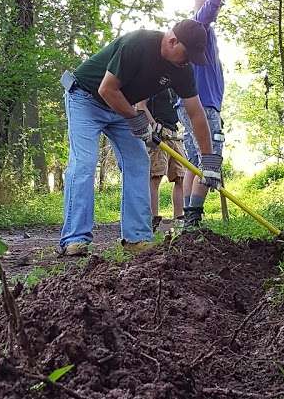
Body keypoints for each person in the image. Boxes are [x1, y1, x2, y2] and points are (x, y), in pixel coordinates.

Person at [59, 21, 221, 255]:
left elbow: (196, 113)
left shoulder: (182, 69)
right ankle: (75, 240)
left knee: (139, 163)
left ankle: (136, 238)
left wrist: (208, 160)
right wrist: (138, 121)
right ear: (172, 41)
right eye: (187, 54)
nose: (188, 62)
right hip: (86, 98)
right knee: (84, 163)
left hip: (121, 106)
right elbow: (107, 90)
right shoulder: (138, 44)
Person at [179, 0, 229, 230]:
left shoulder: (201, 37)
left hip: (196, 106)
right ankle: (193, 220)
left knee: (194, 162)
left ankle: (189, 218)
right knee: (209, 159)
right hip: (201, 106)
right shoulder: (198, 30)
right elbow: (204, 17)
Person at [143, 86, 184, 232]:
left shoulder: (176, 85)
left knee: (180, 176)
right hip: (158, 133)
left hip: (174, 133)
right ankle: (153, 220)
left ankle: (179, 219)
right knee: (155, 175)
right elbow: (140, 105)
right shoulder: (153, 80)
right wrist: (152, 124)